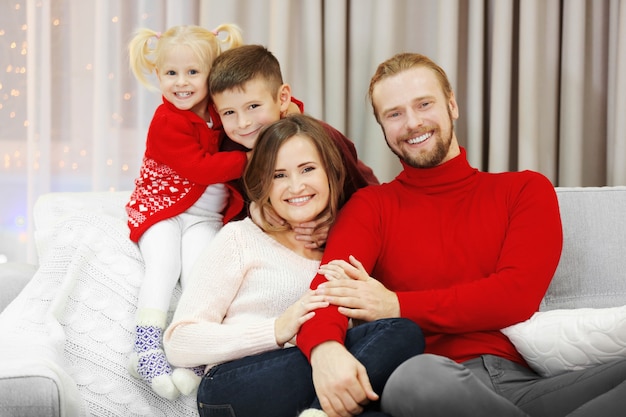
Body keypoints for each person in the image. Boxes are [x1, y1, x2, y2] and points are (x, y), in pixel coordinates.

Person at [296, 52, 626, 417]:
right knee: (415, 379)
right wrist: (325, 351)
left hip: (522, 385)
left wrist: (397, 305)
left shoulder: (523, 190)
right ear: (383, 127)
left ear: (451, 105)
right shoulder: (370, 206)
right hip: (428, 384)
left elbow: (516, 296)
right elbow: (326, 295)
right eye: (394, 114)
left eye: (424, 104)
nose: (413, 122)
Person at [163, 114, 424, 417]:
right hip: (233, 387)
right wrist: (276, 329)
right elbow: (178, 341)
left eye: (307, 169)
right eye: (279, 175)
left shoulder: (345, 245)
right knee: (402, 332)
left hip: (305, 393)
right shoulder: (240, 238)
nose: (295, 186)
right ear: (264, 183)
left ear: (331, 173)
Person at [125, 24, 246, 400]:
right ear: (157, 75)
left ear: (213, 74)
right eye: (170, 73)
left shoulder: (218, 109)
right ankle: (145, 347)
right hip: (161, 209)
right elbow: (200, 168)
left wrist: (288, 110)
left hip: (203, 218)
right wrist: (250, 158)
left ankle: (194, 348)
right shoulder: (167, 121)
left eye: (193, 72)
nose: (181, 83)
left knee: (201, 275)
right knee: (164, 267)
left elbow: (260, 104)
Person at [208, 44, 379, 244]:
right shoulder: (231, 149)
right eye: (229, 112)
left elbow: (367, 199)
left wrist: (338, 223)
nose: (243, 122)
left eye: (253, 106)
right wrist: (255, 210)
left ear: (283, 98)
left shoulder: (322, 139)